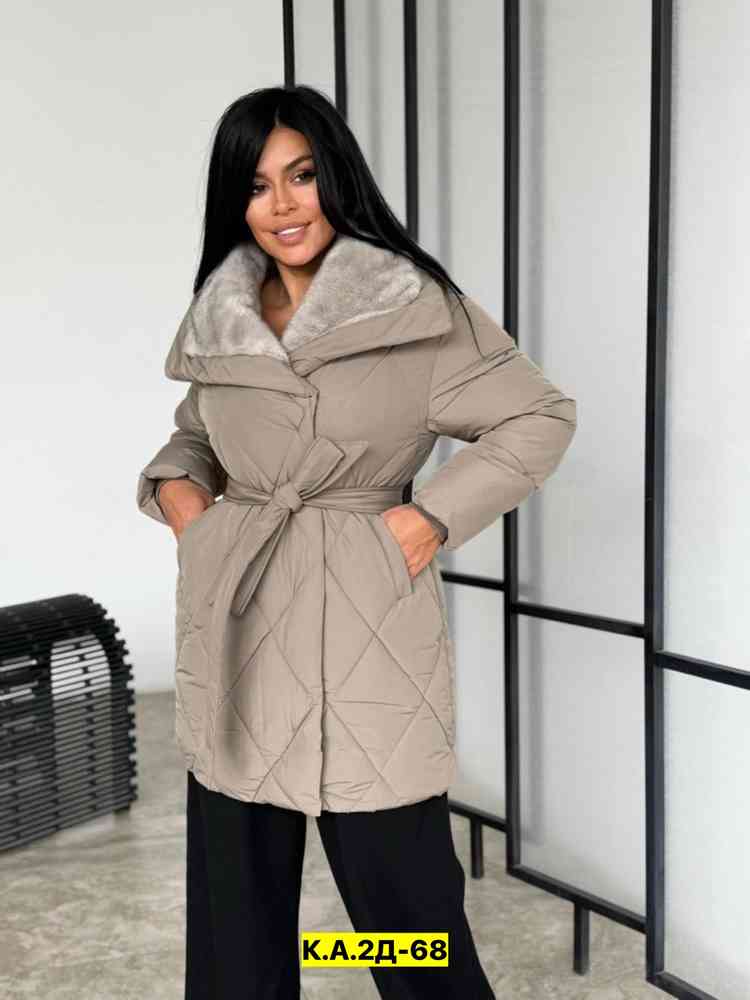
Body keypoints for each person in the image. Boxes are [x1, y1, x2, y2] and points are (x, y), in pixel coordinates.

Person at [136, 84, 577, 1000]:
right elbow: (198, 434)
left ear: (337, 177)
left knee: (408, 929)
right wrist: (181, 496)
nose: (283, 205)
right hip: (238, 626)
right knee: (236, 932)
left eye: (302, 176)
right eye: (257, 185)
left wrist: (431, 514)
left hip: (363, 623)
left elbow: (538, 415)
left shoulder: (418, 312)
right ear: (235, 202)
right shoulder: (224, 314)